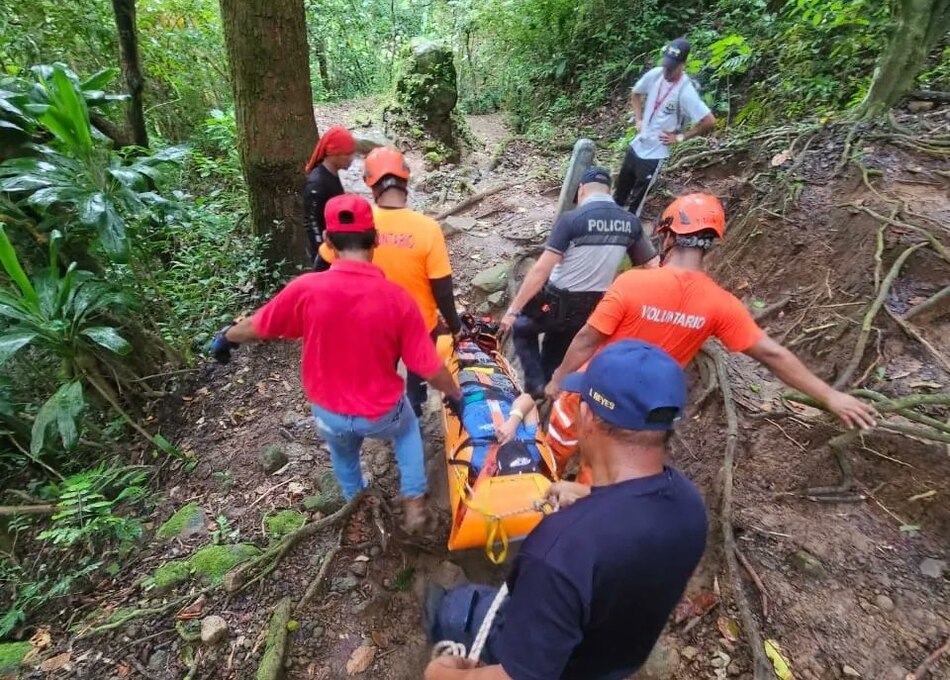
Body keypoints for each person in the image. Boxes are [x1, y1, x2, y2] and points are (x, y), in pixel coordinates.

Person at [423, 340, 707, 680]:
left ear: (586, 416)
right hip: (612, 659)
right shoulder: (690, 506)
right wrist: (590, 496)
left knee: (455, 609)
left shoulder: (557, 551)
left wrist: (444, 675)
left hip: (557, 664)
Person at [542, 193, 876, 480]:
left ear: (668, 236)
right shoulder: (720, 304)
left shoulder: (632, 283)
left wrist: (558, 378)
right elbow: (773, 355)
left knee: (550, 454)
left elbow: (587, 338)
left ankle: (531, 504)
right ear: (710, 244)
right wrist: (830, 396)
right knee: (599, 480)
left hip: (590, 391)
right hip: (638, 415)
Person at [209, 194, 462, 533]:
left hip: (328, 412)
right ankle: (414, 498)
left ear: (328, 242)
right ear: (375, 240)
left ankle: (356, 508)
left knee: (343, 457)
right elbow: (429, 368)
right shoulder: (398, 300)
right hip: (381, 413)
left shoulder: (306, 290)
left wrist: (226, 336)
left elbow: (257, 327)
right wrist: (456, 394)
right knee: (407, 430)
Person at [317, 146, 463, 416]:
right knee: (418, 368)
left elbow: (322, 266)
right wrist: (455, 325)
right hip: (419, 323)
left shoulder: (358, 224)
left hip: (371, 321)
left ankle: (378, 409)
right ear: (406, 179)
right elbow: (442, 288)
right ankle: (414, 408)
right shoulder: (428, 229)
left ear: (369, 183)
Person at [498, 167, 659, 397]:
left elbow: (542, 269)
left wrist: (513, 311)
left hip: (555, 302)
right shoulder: (630, 222)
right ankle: (546, 394)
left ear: (582, 190)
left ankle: (534, 386)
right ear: (610, 191)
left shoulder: (572, 220)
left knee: (522, 328)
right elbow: (653, 266)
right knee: (558, 346)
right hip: (593, 307)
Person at [614, 38, 716, 215]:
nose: (667, 71)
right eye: (665, 65)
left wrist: (680, 137)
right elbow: (636, 93)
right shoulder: (655, 74)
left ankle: (627, 235)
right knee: (619, 194)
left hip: (655, 153)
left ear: (683, 65)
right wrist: (638, 120)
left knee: (635, 205)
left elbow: (709, 121)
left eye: (672, 67)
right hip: (638, 143)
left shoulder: (685, 92)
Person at [303, 125, 355, 266]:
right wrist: (322, 252)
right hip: (325, 255)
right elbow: (312, 222)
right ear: (334, 154)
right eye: (347, 154)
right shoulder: (317, 183)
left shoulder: (331, 174)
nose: (351, 158)